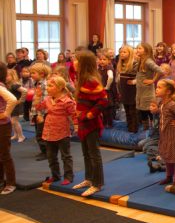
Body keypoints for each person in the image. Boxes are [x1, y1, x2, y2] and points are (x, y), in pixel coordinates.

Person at [72, 50, 109, 197]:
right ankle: (89, 179)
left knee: (94, 154)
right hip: (83, 122)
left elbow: (103, 101)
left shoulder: (91, 80)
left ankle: (97, 183)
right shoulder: (81, 78)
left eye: (77, 60)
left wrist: (89, 114)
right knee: (86, 153)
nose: (73, 62)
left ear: (83, 64)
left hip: (91, 123)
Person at [36, 76, 76, 185]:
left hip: (62, 133)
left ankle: (69, 176)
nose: (47, 88)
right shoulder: (48, 99)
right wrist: (37, 97)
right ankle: (55, 175)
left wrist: (76, 127)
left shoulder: (67, 101)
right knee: (51, 157)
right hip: (49, 132)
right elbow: (39, 107)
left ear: (59, 88)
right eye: (47, 85)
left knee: (66, 156)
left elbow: (74, 115)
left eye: (50, 86)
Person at [152, 79, 175, 186]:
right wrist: (156, 111)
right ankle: (169, 176)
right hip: (165, 134)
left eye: (159, 87)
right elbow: (164, 114)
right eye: (156, 87)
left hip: (173, 135)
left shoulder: (172, 104)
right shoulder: (162, 103)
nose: (156, 89)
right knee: (167, 155)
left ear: (168, 92)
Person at [136, 43, 166, 131]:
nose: (137, 50)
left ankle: (154, 129)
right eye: (137, 48)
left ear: (146, 51)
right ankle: (146, 129)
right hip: (140, 90)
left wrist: (153, 80)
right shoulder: (141, 60)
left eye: (139, 48)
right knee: (142, 110)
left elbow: (160, 71)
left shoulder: (148, 61)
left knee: (149, 110)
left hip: (147, 91)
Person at [0, 62, 18, 195]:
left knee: (4, 154)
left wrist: (4, 114)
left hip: (3, 125)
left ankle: (11, 183)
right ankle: (1, 180)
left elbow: (12, 100)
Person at [30, 62, 51, 160]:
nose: (31, 75)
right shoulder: (37, 83)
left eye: (33, 73)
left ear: (41, 74)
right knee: (38, 133)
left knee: (41, 133)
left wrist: (40, 114)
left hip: (42, 114)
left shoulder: (44, 84)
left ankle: (46, 152)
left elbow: (45, 101)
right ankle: (43, 151)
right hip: (37, 112)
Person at [116, 45, 138, 133]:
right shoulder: (120, 64)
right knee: (127, 110)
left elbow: (139, 77)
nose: (122, 54)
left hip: (132, 90)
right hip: (124, 90)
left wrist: (134, 81)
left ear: (130, 53)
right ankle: (129, 127)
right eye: (121, 52)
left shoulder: (135, 63)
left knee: (133, 111)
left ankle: (134, 129)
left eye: (124, 52)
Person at [5, 69, 26, 142]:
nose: (5, 77)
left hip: (16, 105)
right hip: (12, 105)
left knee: (14, 121)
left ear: (12, 76)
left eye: (7, 76)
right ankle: (16, 135)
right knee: (12, 121)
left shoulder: (15, 85)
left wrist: (20, 100)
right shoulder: (8, 85)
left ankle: (21, 136)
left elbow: (25, 91)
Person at [97, 49, 116, 128]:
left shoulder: (108, 68)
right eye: (100, 59)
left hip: (107, 91)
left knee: (108, 107)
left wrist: (107, 87)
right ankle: (104, 123)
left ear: (108, 60)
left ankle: (110, 123)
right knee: (103, 107)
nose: (102, 61)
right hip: (101, 91)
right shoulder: (99, 68)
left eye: (104, 59)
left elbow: (111, 77)